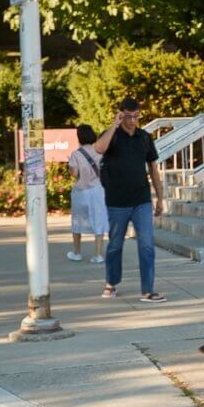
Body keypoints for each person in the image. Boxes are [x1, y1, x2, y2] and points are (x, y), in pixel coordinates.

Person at [94, 97, 166, 303]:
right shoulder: (113, 136)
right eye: (128, 116)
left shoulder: (144, 137)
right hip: (117, 201)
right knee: (115, 244)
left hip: (141, 200)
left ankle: (148, 290)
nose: (133, 120)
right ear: (121, 114)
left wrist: (160, 198)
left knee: (147, 245)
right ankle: (111, 282)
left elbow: (153, 169)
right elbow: (99, 149)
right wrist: (114, 125)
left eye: (136, 116)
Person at [67, 124, 108, 264]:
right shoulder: (99, 152)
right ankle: (98, 255)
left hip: (81, 192)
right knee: (98, 221)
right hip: (97, 190)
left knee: (77, 221)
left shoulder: (75, 154)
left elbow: (74, 174)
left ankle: (77, 252)